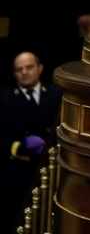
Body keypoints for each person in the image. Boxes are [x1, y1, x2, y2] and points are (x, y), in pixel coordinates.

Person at [2, 51, 61, 224]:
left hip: (49, 170)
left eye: (29, 67)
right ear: (14, 74)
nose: (24, 72)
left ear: (40, 69)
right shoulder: (5, 99)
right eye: (19, 69)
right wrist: (18, 148)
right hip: (19, 171)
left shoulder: (56, 94)